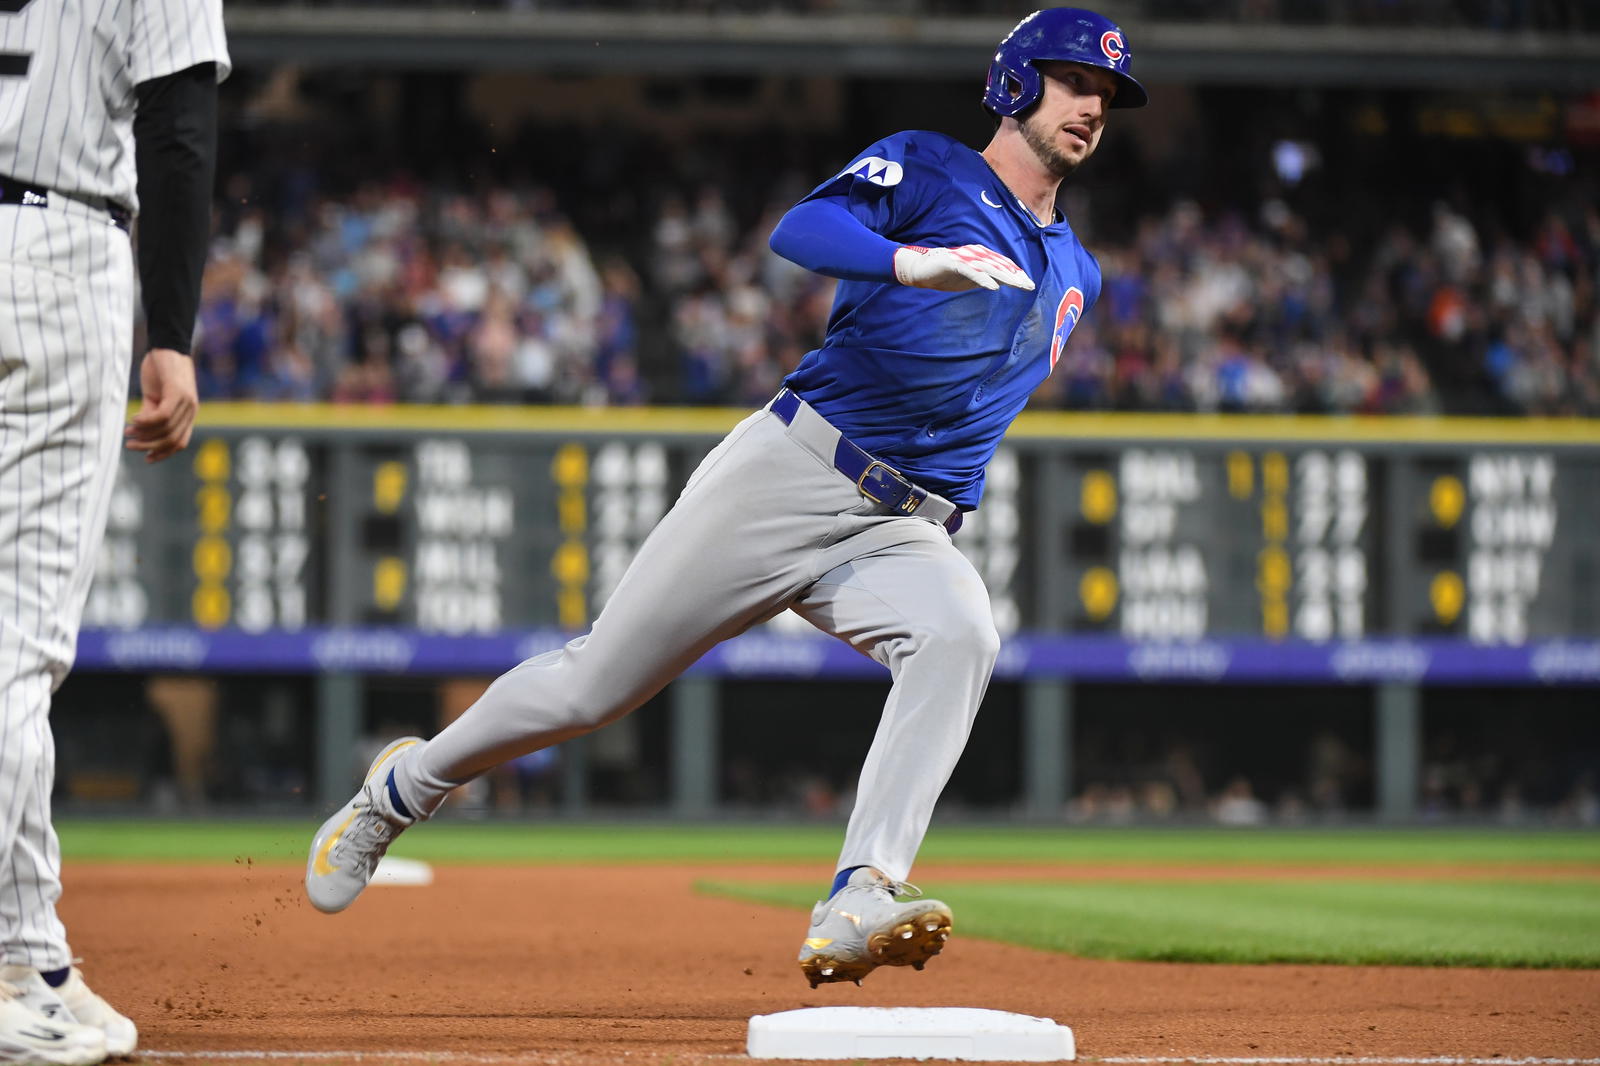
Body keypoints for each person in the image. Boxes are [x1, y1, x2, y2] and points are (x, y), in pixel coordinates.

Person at [306, 6, 1145, 990]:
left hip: (899, 527)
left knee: (963, 632)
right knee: (592, 688)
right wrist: (906, 261)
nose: (1091, 105)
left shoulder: (1076, 270)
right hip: (793, 473)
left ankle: (861, 889)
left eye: (1105, 95)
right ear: (1015, 82)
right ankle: (399, 790)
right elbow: (805, 228)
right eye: (1073, 80)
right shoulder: (931, 167)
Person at [0, 1, 228, 1062]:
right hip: (53, 251)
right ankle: (3, 977)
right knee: (18, 644)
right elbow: (179, 127)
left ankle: (29, 947)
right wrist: (171, 336)